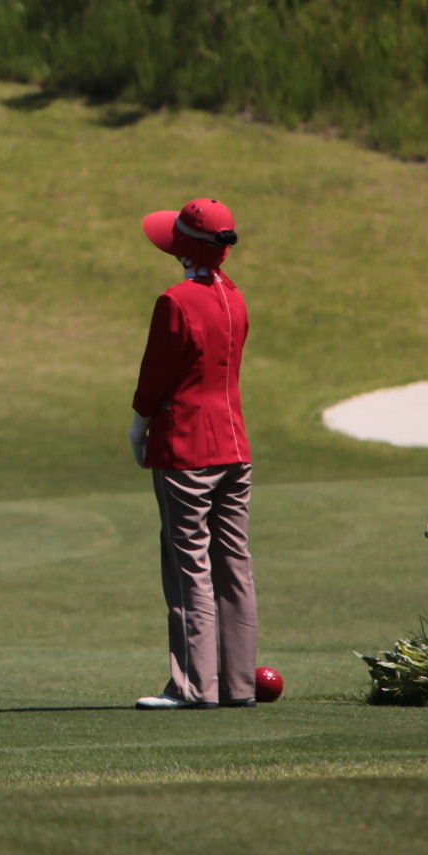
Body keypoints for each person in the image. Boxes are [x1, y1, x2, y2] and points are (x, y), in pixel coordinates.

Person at [128, 198, 258, 709]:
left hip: (186, 448)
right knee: (233, 563)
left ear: (182, 248)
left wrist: (139, 424)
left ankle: (193, 686)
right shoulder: (236, 296)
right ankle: (237, 683)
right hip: (234, 446)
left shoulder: (176, 301)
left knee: (190, 566)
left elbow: (155, 374)